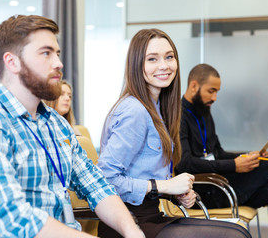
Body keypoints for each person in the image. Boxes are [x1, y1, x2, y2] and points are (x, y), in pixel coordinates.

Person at [0, 15, 145, 238]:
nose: (58, 63)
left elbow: (96, 185)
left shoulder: (56, 123)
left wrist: (132, 232)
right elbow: (10, 218)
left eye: (57, 53)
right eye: (46, 53)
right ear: (12, 62)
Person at [97, 29, 251, 238]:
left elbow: (142, 175)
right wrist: (165, 185)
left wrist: (174, 193)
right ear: (136, 65)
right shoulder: (135, 111)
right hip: (128, 222)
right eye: (152, 59)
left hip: (151, 215)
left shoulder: (158, 108)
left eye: (169, 57)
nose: (164, 65)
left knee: (237, 230)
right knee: (235, 236)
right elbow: (104, 179)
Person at [176, 63, 268, 238]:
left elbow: (218, 153)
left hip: (221, 186)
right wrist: (234, 165)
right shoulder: (178, 116)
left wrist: (247, 157)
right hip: (203, 192)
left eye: (217, 92)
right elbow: (185, 163)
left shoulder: (204, 111)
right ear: (194, 86)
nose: (215, 97)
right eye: (211, 91)